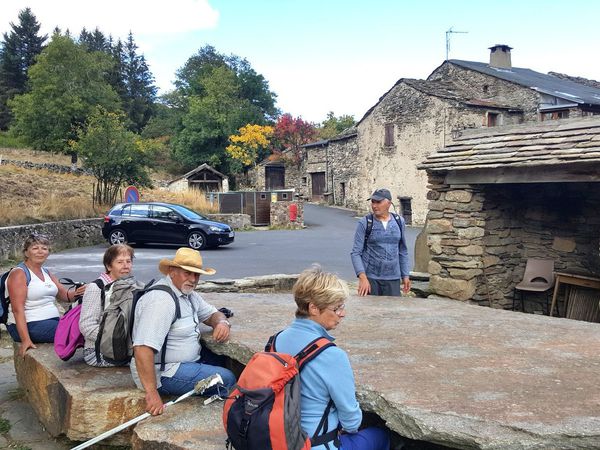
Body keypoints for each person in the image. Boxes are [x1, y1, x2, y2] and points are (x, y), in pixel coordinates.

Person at [274, 265, 389, 450]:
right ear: (313, 308)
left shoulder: (276, 340)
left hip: (279, 437)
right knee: (381, 436)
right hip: (315, 444)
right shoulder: (332, 355)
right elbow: (351, 421)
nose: (342, 314)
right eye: (337, 308)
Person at [130, 247, 236, 416]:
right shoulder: (161, 301)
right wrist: (151, 393)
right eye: (187, 273)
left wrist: (222, 322)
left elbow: (212, 314)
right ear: (172, 271)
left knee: (225, 361)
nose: (193, 279)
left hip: (185, 362)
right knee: (227, 379)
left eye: (196, 275)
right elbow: (142, 348)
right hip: (164, 372)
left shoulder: (188, 294)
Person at [6, 233, 87, 356]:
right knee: (79, 330)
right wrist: (25, 340)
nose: (40, 252)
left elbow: (65, 295)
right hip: (30, 324)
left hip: (51, 322)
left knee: (86, 322)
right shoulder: (19, 274)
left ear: (48, 253)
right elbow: (17, 310)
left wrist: (79, 292)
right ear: (26, 252)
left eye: (44, 248)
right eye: (35, 248)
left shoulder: (46, 272)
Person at [79, 244, 134, 367]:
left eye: (128, 261)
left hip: (122, 348)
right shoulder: (96, 288)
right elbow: (86, 326)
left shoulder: (128, 284)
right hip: (98, 352)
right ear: (109, 266)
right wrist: (117, 340)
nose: (126, 266)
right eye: (120, 262)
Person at [350, 188, 411, 297]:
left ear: (388, 203)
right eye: (373, 202)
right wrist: (362, 277)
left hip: (393, 278)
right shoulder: (365, 222)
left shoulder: (399, 221)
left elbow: (402, 251)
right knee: (370, 312)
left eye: (378, 202)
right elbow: (356, 253)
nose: (374, 205)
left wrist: (405, 275)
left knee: (392, 312)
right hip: (371, 278)